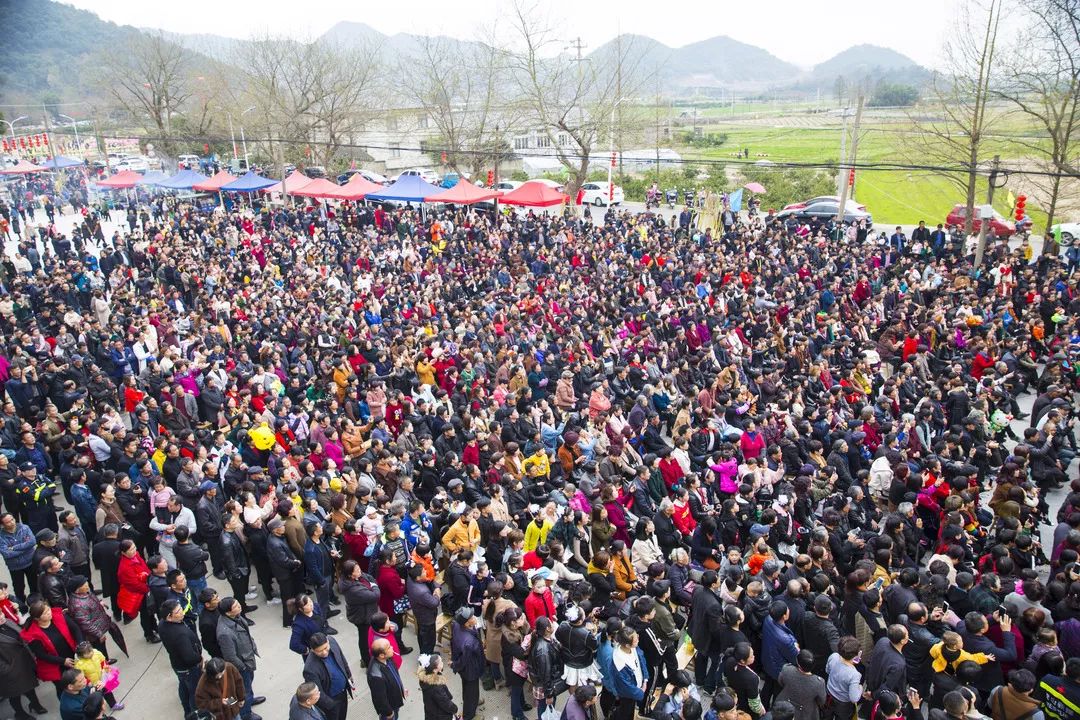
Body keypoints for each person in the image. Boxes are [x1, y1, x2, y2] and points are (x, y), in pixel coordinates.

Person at [216, 597, 265, 720]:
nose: (239, 606)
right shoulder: (224, 633)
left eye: (238, 604)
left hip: (247, 659)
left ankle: (249, 700)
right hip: (241, 665)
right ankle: (246, 714)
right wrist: (243, 667)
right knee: (243, 690)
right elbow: (230, 656)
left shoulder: (235, 617)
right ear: (228, 612)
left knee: (248, 685)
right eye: (236, 606)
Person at [21, 599, 82, 697]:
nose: (49, 613)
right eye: (45, 613)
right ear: (37, 618)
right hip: (57, 665)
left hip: (74, 655)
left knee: (80, 682)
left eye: (48, 609)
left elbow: (75, 629)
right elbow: (41, 655)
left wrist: (80, 645)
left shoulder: (58, 616)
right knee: (64, 689)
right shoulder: (33, 633)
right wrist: (63, 661)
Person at [0, 590, 45, 719]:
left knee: (30, 687)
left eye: (1, 613)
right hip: (10, 669)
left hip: (24, 661)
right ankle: (19, 713)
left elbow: (21, 635)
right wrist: (7, 670)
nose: (2, 616)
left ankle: (35, 704)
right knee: (15, 694)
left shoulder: (7, 622)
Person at [158, 598, 204, 716]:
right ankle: (195, 714)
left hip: (177, 665)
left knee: (184, 686)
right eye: (178, 611)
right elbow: (189, 657)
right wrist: (199, 658)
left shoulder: (163, 624)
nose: (182, 612)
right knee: (195, 693)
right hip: (189, 668)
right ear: (169, 616)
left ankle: (187, 711)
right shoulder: (179, 634)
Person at [302, 632, 353, 720]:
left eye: (326, 648)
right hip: (331, 700)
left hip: (343, 692)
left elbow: (341, 658)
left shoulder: (332, 641)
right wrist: (332, 705)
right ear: (313, 650)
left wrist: (349, 675)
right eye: (320, 651)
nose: (325, 652)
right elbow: (318, 693)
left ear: (328, 642)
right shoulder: (310, 669)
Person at [337, 559, 380, 666]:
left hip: (366, 612)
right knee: (364, 640)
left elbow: (369, 577)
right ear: (350, 575)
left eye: (359, 568)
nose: (360, 571)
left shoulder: (358, 577)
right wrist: (374, 586)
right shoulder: (352, 589)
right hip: (362, 617)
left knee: (368, 636)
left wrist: (372, 583)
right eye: (356, 570)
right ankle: (367, 661)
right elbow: (375, 596)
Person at [451, 606, 486, 720]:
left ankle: (472, 702)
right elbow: (464, 660)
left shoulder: (456, 624)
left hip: (465, 668)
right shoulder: (469, 643)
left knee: (467, 688)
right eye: (471, 616)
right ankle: (469, 715)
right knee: (472, 691)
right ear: (466, 623)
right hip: (471, 669)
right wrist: (455, 665)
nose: (474, 616)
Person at [774, 649, 826, 720]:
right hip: (806, 713)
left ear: (798, 663)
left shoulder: (787, 669)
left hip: (784, 705)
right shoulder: (819, 683)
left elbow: (780, 682)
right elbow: (822, 701)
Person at [612, 625, 649, 720]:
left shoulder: (633, 648)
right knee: (626, 711)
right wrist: (640, 692)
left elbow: (641, 660)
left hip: (638, 687)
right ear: (628, 645)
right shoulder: (619, 663)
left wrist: (645, 678)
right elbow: (626, 686)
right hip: (629, 694)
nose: (638, 640)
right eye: (636, 640)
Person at [0, 512, 36, 605]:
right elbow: (7, 554)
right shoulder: (1, 536)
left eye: (12, 519)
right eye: (8, 522)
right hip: (15, 567)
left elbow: (32, 542)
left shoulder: (25, 528)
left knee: (34, 585)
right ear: (3, 525)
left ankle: (36, 604)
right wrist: (25, 548)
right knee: (19, 589)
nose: (12, 522)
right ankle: (22, 607)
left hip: (30, 562)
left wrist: (14, 548)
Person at [367, 637, 405, 720]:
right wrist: (388, 713)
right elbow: (380, 698)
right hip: (389, 709)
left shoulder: (387, 659)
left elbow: (395, 675)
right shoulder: (376, 676)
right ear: (381, 655)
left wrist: (401, 689)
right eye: (389, 647)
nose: (392, 647)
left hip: (394, 701)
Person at [418, 652, 459, 720]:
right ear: (434, 669)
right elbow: (445, 703)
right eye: (440, 662)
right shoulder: (436, 687)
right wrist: (455, 709)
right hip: (440, 716)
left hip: (431, 712)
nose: (442, 662)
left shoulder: (426, 679)